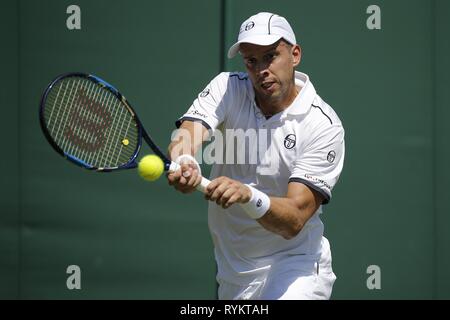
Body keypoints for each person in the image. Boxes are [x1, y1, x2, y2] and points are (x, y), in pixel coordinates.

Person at [167, 12, 345, 300]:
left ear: (295, 55)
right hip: (234, 274)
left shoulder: (322, 125)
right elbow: (187, 136)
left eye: (271, 56)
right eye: (251, 60)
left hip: (296, 266)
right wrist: (185, 162)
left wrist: (248, 196)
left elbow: (295, 218)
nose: (261, 69)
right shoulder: (227, 87)